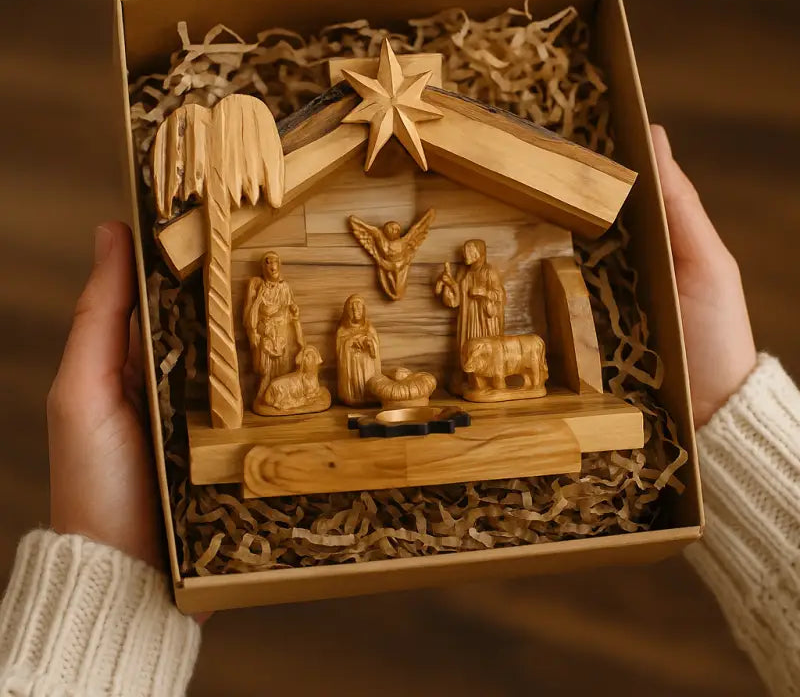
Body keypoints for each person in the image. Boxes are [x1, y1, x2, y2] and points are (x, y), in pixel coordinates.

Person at [0, 126, 797, 695]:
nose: (353, 307)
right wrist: (323, 334)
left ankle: (485, 385)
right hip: (328, 368)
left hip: (473, 336)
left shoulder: (477, 276)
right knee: (331, 374)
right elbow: (278, 320)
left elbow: (474, 292)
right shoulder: (307, 300)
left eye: (476, 253)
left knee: (481, 357)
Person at [435, 239, 506, 368]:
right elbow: (456, 301)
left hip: (484, 321)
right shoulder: (464, 273)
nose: (465, 254)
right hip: (468, 319)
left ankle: (488, 374)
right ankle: (470, 376)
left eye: (469, 250)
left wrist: (484, 292)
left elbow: (500, 295)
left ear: (479, 252)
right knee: (468, 351)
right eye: (465, 251)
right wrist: (449, 283)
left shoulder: (488, 271)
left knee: (484, 351)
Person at [243, 250, 303, 403]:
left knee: (284, 367)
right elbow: (250, 312)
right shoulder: (257, 286)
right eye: (268, 263)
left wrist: (294, 310)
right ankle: (264, 394)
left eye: (275, 263)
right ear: (263, 267)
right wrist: (252, 331)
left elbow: (292, 309)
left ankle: (280, 395)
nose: (272, 267)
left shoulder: (284, 287)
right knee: (265, 369)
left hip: (282, 333)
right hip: (266, 332)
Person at [336, 294, 382, 406]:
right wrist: (350, 343)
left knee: (367, 384)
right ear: (347, 311)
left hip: (367, 367)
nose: (356, 311)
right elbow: (339, 353)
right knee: (355, 385)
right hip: (352, 369)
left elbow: (375, 352)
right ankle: (353, 396)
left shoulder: (370, 329)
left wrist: (370, 344)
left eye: (359, 308)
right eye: (352, 309)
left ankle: (369, 395)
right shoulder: (342, 331)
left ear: (364, 310)